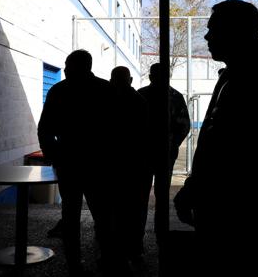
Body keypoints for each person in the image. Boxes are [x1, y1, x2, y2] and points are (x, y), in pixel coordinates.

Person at [173, 0, 258, 273]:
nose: (207, 36)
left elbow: (228, 152)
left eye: (213, 29)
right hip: (238, 206)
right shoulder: (245, 76)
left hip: (236, 211)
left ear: (236, 33)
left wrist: (193, 189)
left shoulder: (250, 82)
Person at [37, 50, 120, 277]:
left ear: (74, 66)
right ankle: (108, 261)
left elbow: (45, 128)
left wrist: (54, 155)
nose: (64, 68)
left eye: (67, 64)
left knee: (70, 216)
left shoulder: (59, 90)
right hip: (99, 164)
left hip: (69, 163)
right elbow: (118, 130)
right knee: (103, 215)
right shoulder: (106, 90)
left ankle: (74, 265)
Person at [136, 62, 190, 252]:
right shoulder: (174, 96)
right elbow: (184, 125)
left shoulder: (140, 95)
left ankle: (137, 240)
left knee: (140, 196)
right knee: (162, 196)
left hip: (142, 154)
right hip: (164, 155)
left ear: (151, 76)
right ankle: (161, 235)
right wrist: (171, 145)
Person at [108, 66, 150, 264]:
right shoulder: (140, 102)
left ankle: (116, 251)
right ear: (131, 80)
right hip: (138, 166)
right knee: (137, 208)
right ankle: (135, 249)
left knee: (116, 208)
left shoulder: (106, 102)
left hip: (115, 166)